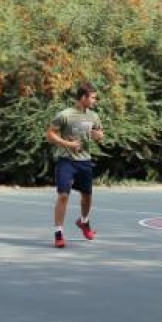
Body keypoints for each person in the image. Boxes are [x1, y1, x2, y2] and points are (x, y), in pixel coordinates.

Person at [45, 82, 104, 249]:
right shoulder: (65, 115)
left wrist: (97, 134)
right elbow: (50, 135)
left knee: (87, 196)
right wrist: (67, 144)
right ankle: (58, 233)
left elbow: (100, 134)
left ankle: (84, 222)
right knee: (63, 195)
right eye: (92, 98)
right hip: (66, 161)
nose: (94, 101)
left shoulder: (93, 116)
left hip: (84, 161)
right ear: (83, 97)